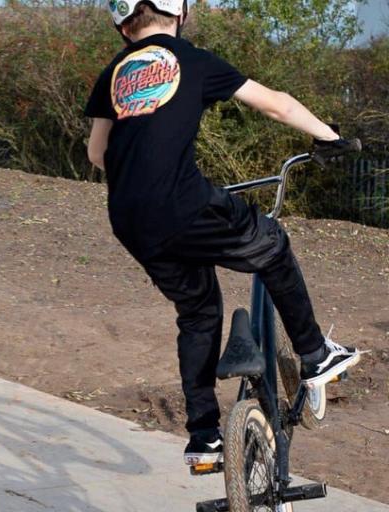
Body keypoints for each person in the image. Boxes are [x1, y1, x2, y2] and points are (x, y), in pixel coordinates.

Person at [84, 0, 362, 466]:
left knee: (197, 311)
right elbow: (276, 106)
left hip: (130, 218)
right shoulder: (191, 59)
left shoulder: (113, 73)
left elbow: (97, 153)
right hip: (184, 203)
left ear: (122, 24)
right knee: (271, 243)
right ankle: (316, 355)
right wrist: (329, 138)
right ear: (180, 13)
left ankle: (205, 435)